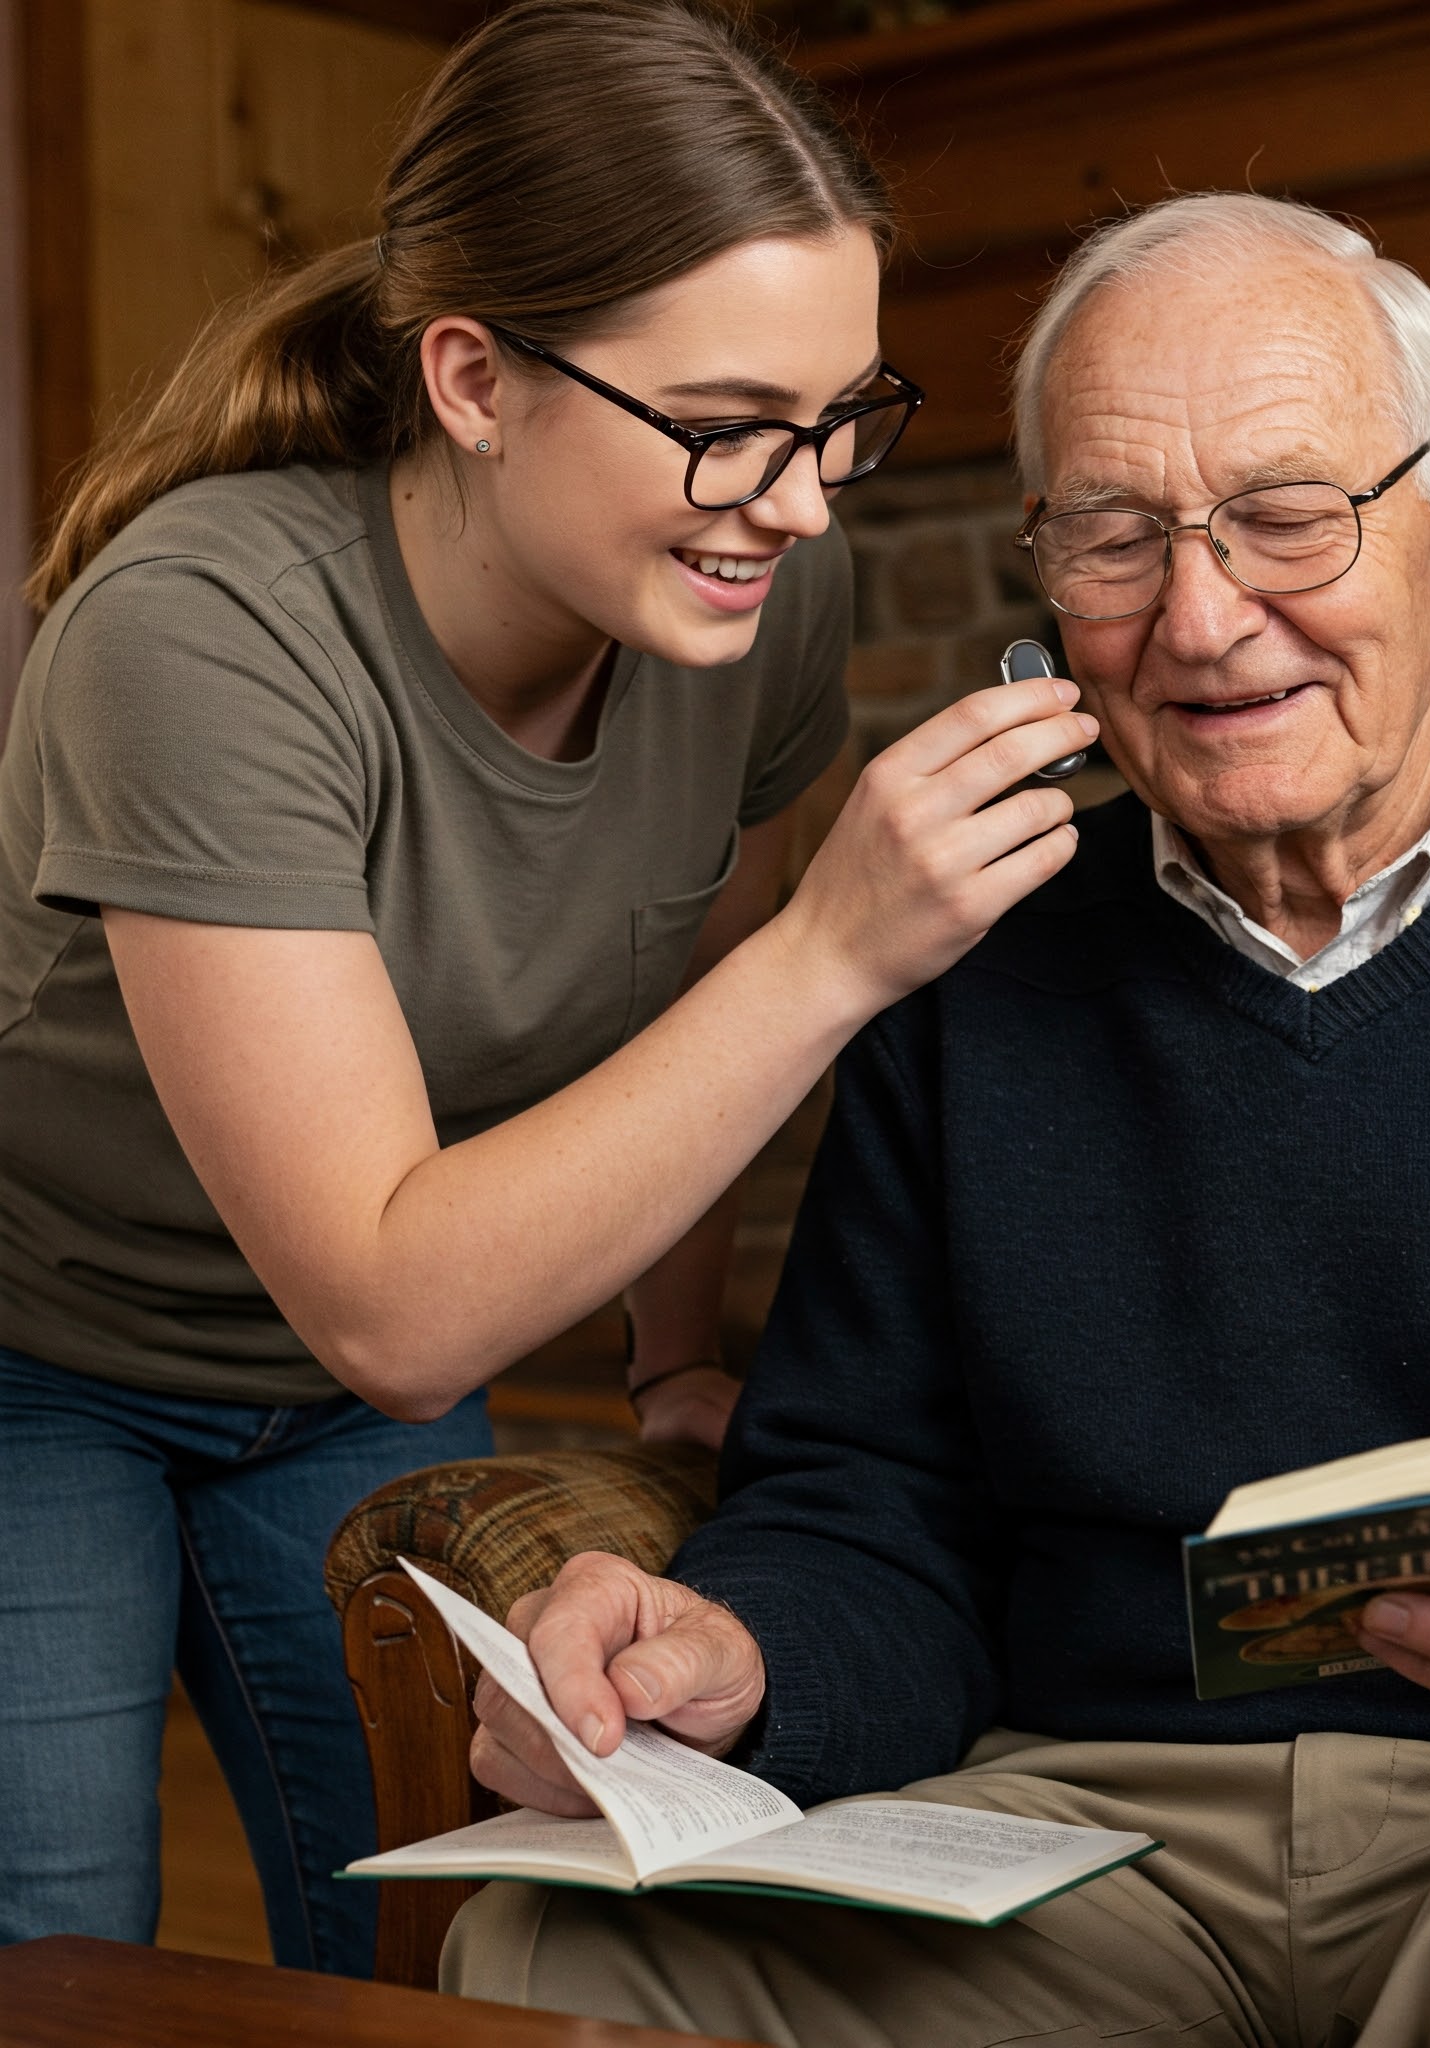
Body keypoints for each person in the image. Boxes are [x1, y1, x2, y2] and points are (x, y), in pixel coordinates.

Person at [446, 194, 1430, 2046]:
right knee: (567, 1953)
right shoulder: (970, 965)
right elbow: (865, 1511)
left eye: (1288, 517)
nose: (1202, 624)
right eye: (1113, 541)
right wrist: (747, 1661)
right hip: (1094, 1830)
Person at [0, 0, 1097, 1979]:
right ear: (476, 378)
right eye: (728, 422)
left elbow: (688, 963)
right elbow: (400, 1307)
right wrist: (840, 951)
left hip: (310, 1382)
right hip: (34, 1338)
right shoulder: (196, 635)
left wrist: (679, 1355)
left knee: (452, 1933)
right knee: (60, 1945)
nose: (802, 498)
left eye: (844, 416)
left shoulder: (745, 601)